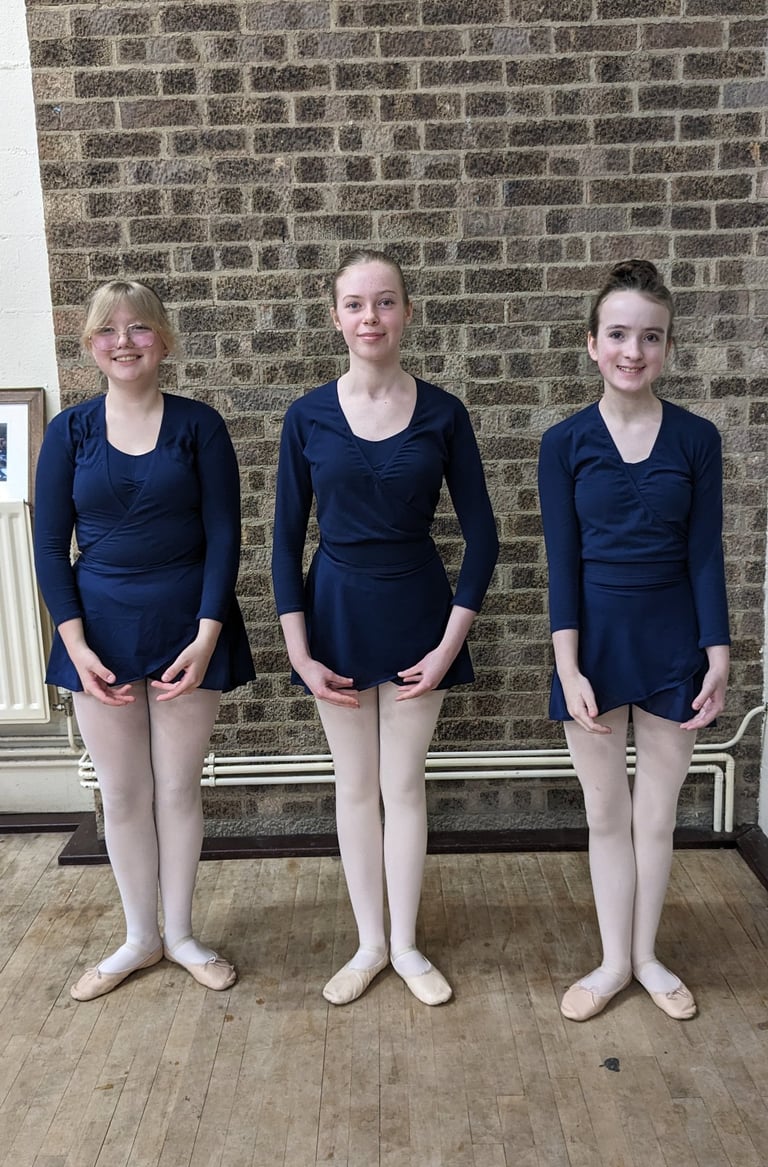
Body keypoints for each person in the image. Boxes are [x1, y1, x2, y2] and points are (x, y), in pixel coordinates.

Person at [271, 249, 499, 1006]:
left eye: (385, 301)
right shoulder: (306, 416)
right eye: (356, 304)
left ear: (406, 312)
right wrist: (300, 652)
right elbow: (283, 541)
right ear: (336, 317)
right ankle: (369, 942)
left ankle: (406, 944)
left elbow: (483, 537)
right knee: (354, 786)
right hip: (334, 611)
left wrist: (449, 645)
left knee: (402, 784)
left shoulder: (444, 413)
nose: (371, 317)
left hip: (417, 613)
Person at [34, 280, 255, 1001]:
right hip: (97, 632)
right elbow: (49, 547)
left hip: (188, 628)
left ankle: (182, 934)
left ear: (162, 339)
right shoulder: (70, 432)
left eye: (137, 328)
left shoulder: (200, 425)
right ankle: (139, 937)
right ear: (90, 343)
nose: (123, 341)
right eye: (108, 329)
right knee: (123, 794)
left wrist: (206, 635)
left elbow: (225, 536)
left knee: (179, 789)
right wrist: (76, 644)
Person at [538, 259, 730, 1022]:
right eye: (618, 334)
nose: (633, 350)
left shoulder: (698, 438)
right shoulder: (564, 442)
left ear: (668, 347)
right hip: (593, 649)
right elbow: (562, 562)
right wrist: (567, 664)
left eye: (650, 337)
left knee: (656, 815)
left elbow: (706, 553)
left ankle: (646, 956)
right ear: (592, 343)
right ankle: (613, 961)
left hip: (675, 647)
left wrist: (718, 652)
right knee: (606, 814)